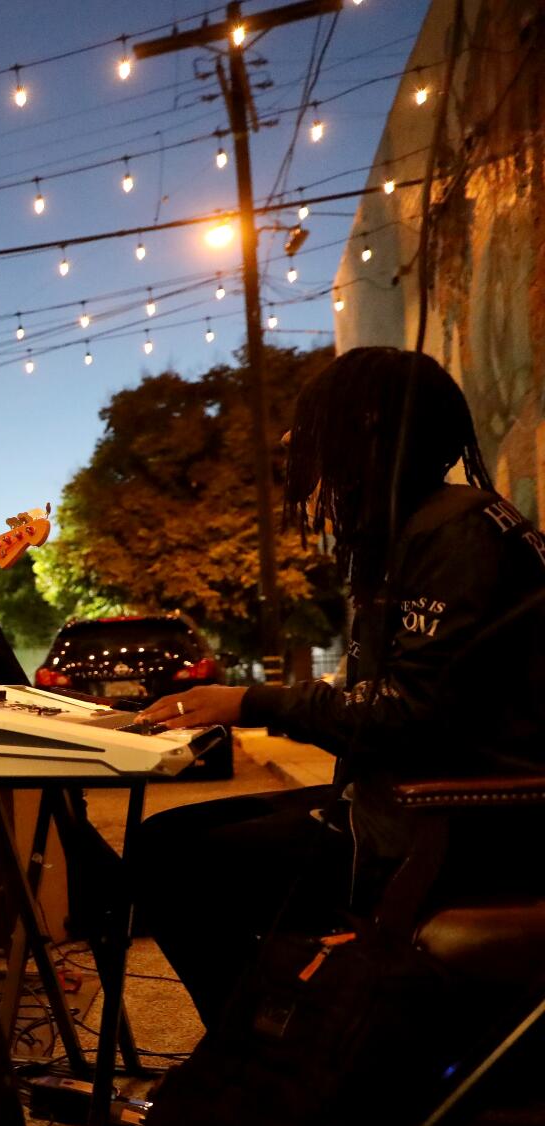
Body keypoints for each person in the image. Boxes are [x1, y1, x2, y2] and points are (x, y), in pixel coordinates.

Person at [129, 347, 545, 1026]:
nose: (303, 460)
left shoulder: (453, 534)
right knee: (166, 838)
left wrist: (249, 701)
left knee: (181, 866)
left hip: (451, 826)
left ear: (369, 433)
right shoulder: (434, 524)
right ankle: (270, 1045)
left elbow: (407, 714)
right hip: (407, 803)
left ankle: (270, 1060)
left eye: (316, 438)